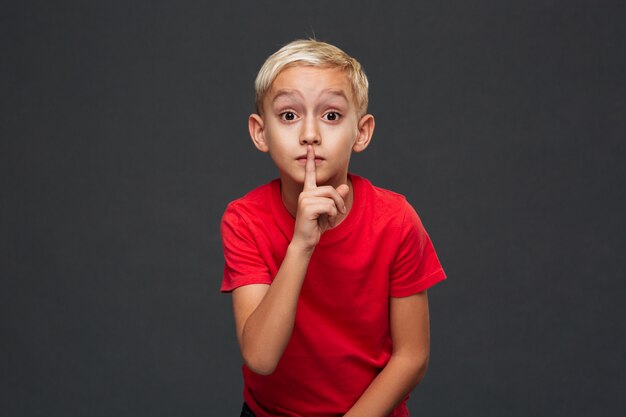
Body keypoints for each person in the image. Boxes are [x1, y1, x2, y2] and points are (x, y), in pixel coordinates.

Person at [220, 39, 446, 417]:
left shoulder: (396, 220)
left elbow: (412, 357)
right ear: (260, 132)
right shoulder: (244, 220)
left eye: (331, 116)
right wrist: (301, 245)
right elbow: (260, 357)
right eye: (289, 116)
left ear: (362, 131)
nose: (310, 134)